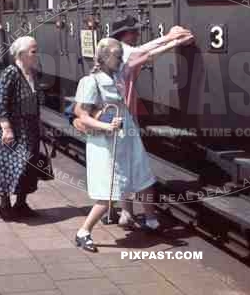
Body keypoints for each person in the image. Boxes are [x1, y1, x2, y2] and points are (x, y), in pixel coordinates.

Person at [74, 32, 193, 253]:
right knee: (111, 189)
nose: (121, 60)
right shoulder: (90, 81)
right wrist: (106, 126)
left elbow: (146, 55)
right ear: (104, 57)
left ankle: (151, 220)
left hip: (127, 134)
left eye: (121, 56)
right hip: (107, 142)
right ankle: (83, 232)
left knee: (143, 175)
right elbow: (80, 114)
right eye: (117, 56)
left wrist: (174, 42)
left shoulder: (117, 72)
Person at [109, 15, 195, 228]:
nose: (137, 33)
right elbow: (148, 53)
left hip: (114, 118)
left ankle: (127, 213)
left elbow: (145, 49)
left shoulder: (113, 50)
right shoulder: (124, 52)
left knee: (121, 167)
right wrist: (174, 40)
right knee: (140, 169)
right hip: (124, 120)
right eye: (134, 31)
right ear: (126, 34)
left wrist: (169, 38)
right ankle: (149, 217)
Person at [0, 36, 43, 220]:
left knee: (27, 167)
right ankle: (4, 206)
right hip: (13, 128)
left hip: (29, 128)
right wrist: (6, 128)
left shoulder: (33, 73)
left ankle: (21, 204)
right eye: (33, 51)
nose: (36, 54)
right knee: (7, 167)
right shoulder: (11, 73)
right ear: (21, 54)